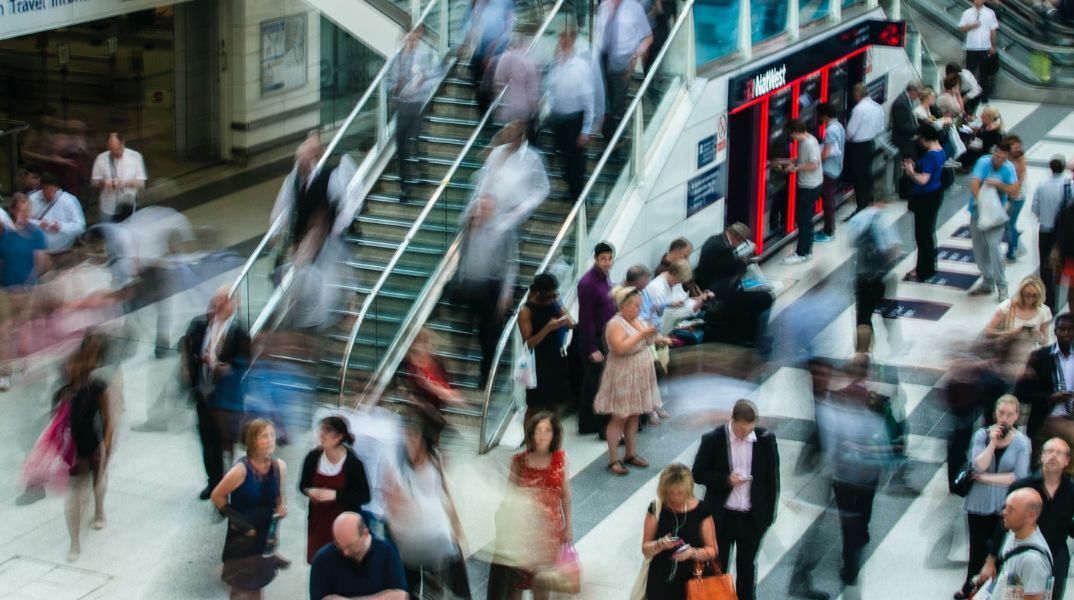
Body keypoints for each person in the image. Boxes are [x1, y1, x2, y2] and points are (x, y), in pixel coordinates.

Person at [691, 399, 779, 600]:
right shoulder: (713, 439)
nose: (745, 435)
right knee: (717, 566)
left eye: (749, 431)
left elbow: (772, 481)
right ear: (733, 420)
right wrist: (725, 480)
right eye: (741, 431)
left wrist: (767, 517)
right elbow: (698, 473)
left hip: (751, 518)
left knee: (747, 568)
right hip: (722, 517)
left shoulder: (765, 440)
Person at [383, 412, 469, 599]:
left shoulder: (435, 461)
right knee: (407, 590)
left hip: (438, 538)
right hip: (410, 541)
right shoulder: (397, 466)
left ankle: (432, 583)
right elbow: (390, 501)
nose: (409, 441)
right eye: (407, 436)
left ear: (423, 439)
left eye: (414, 436)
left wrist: (456, 527)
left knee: (458, 590)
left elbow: (446, 494)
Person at [956, 395, 1031, 599]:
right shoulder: (982, 435)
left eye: (1009, 414)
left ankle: (993, 592)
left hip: (1004, 507)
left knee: (998, 552)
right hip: (978, 503)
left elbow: (1018, 477)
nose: (1004, 418)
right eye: (1001, 413)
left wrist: (984, 478)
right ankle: (970, 589)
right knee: (977, 550)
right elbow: (978, 464)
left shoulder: (1022, 443)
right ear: (995, 413)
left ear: (1016, 416)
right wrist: (992, 444)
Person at [181, 288, 252, 499]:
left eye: (224, 301)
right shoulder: (200, 325)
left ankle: (226, 484)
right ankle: (213, 481)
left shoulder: (239, 333)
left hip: (225, 400)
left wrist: (225, 368)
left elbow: (245, 365)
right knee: (206, 440)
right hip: (203, 394)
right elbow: (186, 347)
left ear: (233, 305)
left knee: (225, 443)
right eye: (216, 300)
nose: (219, 305)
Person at [980, 438, 1073, 599]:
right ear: (1041, 456)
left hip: (1055, 556)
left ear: (1067, 461)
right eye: (1049, 451)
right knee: (1013, 596)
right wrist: (991, 559)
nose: (1053, 456)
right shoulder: (1022, 487)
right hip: (1022, 552)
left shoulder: (1071, 491)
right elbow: (1003, 523)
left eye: (1059, 453)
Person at [211, 419, 288, 600]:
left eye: (272, 435)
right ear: (252, 441)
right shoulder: (241, 470)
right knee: (239, 588)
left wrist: (280, 507)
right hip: (241, 541)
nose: (270, 440)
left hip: (264, 538)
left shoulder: (279, 467)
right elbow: (217, 495)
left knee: (258, 586)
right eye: (264, 436)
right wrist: (238, 521)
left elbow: (279, 496)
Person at [594, 286, 664, 475]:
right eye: (635, 306)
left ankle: (631, 453)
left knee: (634, 414)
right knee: (619, 416)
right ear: (623, 306)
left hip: (640, 371)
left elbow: (645, 340)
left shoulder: (638, 319)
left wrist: (656, 338)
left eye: (640, 306)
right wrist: (642, 335)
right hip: (623, 372)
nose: (639, 310)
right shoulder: (615, 324)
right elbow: (619, 348)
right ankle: (613, 458)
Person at [507, 412, 573, 599]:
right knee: (517, 582)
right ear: (531, 434)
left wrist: (568, 526)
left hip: (550, 533)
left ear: (555, 434)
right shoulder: (519, 462)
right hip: (523, 532)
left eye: (547, 430)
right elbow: (508, 498)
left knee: (542, 581)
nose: (542, 435)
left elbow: (566, 496)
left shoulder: (561, 459)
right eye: (538, 430)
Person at [63, 336, 113, 562]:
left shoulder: (96, 386)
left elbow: (108, 419)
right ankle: (74, 541)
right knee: (75, 494)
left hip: (93, 442)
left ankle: (99, 509)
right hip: (74, 447)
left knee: (97, 482)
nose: (72, 368)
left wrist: (106, 446)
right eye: (69, 364)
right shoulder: (65, 391)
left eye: (76, 363)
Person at [299, 416, 372, 564]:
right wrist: (309, 492)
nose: (322, 435)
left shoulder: (353, 463)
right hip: (318, 523)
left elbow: (365, 496)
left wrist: (336, 495)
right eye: (321, 430)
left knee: (342, 563)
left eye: (327, 431)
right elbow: (303, 485)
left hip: (344, 527)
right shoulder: (313, 457)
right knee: (320, 562)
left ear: (339, 436)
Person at [638, 464, 717, 600]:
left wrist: (693, 552)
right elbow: (645, 549)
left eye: (680, 493)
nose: (675, 498)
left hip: (693, 579)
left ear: (688, 489)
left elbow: (712, 550)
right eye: (670, 493)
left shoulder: (702, 511)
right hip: (660, 580)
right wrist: (660, 544)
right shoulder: (656, 509)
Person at [0, 193, 49, 391]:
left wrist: (30, 282)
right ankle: (4, 371)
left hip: (28, 289)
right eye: (21, 209)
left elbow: (40, 262)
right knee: (3, 331)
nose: (25, 214)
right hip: (5, 290)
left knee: (25, 329)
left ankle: (25, 363)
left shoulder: (36, 234)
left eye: (28, 209)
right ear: (12, 210)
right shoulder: (4, 233)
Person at [545, 26, 597, 203]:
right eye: (560, 39)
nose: (560, 43)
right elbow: (550, 86)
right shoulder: (558, 63)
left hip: (575, 120)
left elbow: (589, 99)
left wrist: (586, 130)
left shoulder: (580, 66)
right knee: (562, 156)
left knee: (576, 161)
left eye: (564, 40)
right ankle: (571, 189)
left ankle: (578, 195)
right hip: (558, 118)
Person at [974, 488, 1054, 600]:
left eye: (1011, 509)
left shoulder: (1032, 561)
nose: (1004, 512)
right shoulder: (1013, 533)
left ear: (1030, 515)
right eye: (1005, 507)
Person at [391, 25, 440, 203]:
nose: (410, 42)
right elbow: (390, 80)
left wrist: (422, 85)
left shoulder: (425, 55)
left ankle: (421, 168)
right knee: (401, 144)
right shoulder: (398, 57)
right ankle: (406, 186)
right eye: (408, 39)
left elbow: (436, 75)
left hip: (419, 103)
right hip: (403, 105)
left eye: (413, 39)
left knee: (416, 140)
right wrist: (395, 87)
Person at [310, 511, 408, 599]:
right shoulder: (322, 559)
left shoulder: (386, 550)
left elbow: (400, 595)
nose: (345, 552)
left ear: (365, 533)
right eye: (339, 545)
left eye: (350, 546)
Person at [518, 273, 574, 426]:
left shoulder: (554, 304)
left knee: (553, 404)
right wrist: (547, 328)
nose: (551, 298)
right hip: (537, 362)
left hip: (554, 358)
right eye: (549, 295)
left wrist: (559, 306)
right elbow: (528, 343)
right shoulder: (526, 311)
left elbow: (571, 324)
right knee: (534, 406)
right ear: (539, 293)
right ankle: (530, 445)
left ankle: (553, 443)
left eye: (554, 294)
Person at [967, 142, 1019, 301]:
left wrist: (998, 184)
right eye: (996, 156)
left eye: (1001, 158)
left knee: (994, 247)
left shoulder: (1008, 168)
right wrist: (983, 205)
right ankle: (987, 280)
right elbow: (974, 183)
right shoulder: (984, 162)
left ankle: (1001, 285)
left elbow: (1014, 191)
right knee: (979, 248)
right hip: (978, 212)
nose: (997, 159)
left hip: (996, 215)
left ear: (1006, 158)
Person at [1015, 314, 1074, 455]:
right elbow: (1020, 392)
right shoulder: (1040, 357)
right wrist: (1050, 397)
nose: (1066, 333)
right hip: (1047, 418)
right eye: (1062, 329)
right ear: (1055, 331)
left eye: (1071, 330)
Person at [847, 196, 900, 353]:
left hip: (861, 275)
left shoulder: (856, 219)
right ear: (881, 202)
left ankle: (863, 349)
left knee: (863, 315)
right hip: (879, 276)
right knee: (888, 311)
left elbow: (851, 244)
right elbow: (894, 250)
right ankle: (894, 343)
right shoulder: (883, 219)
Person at [595, 0, 652, 141]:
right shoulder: (603, 7)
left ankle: (616, 140)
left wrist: (635, 56)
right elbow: (598, 35)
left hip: (623, 63)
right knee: (605, 105)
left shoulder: (635, 8)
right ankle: (611, 138)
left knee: (616, 105)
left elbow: (648, 37)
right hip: (603, 60)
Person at [575, 242, 617, 436]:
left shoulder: (603, 278)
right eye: (603, 259)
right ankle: (600, 426)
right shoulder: (587, 283)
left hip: (604, 335)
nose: (607, 263)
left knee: (591, 382)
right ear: (595, 259)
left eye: (609, 259)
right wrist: (592, 347)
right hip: (593, 337)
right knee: (598, 383)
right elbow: (586, 318)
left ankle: (587, 423)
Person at [903, 124, 947, 282]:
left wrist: (910, 172)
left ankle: (923, 270)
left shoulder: (931, 156)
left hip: (926, 197)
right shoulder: (940, 150)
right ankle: (927, 266)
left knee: (922, 235)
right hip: (935, 194)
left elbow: (923, 180)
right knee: (928, 233)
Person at [1032, 155, 1071, 313]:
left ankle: (1047, 303)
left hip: (1045, 230)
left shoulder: (1042, 185)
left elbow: (1035, 208)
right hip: (1062, 233)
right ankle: (1056, 301)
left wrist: (1043, 216)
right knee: (1059, 267)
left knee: (1045, 268)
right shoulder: (1069, 185)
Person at [780, 119, 823, 265]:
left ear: (795, 132)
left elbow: (814, 164)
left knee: (803, 221)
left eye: (791, 134)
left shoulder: (808, 143)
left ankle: (801, 253)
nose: (791, 138)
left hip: (808, 187)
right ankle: (807, 251)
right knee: (807, 220)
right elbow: (802, 159)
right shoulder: (810, 139)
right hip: (814, 185)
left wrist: (795, 168)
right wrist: (787, 161)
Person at [464, 0, 514, 114]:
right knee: (477, 80)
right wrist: (469, 32)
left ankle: (488, 112)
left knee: (488, 82)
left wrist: (497, 46)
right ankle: (484, 109)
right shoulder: (475, 2)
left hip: (496, 51)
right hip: (477, 50)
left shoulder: (505, 2)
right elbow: (467, 22)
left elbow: (509, 26)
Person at [402, 327, 467, 412]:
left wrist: (448, 393)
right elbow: (412, 395)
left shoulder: (438, 360)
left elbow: (453, 388)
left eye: (426, 342)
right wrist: (438, 390)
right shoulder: (412, 368)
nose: (425, 346)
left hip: (439, 408)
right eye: (420, 343)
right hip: (424, 413)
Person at [844, 83, 885, 213]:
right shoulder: (877, 107)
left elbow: (850, 132)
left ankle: (861, 206)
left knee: (859, 177)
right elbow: (881, 127)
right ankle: (870, 200)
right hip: (870, 144)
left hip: (858, 147)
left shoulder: (858, 110)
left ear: (857, 95)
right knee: (868, 174)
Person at [90, 132, 146, 222]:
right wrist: (104, 184)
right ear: (108, 147)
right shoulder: (101, 158)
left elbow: (142, 183)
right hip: (108, 206)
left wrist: (124, 184)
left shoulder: (135, 157)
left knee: (128, 232)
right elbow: (94, 181)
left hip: (128, 205)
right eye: (112, 150)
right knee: (108, 232)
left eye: (118, 149)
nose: (115, 152)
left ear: (123, 143)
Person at [494, 32, 540, 140]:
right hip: (524, 109)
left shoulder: (505, 58)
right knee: (523, 138)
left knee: (509, 138)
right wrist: (535, 109)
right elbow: (532, 92)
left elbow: (498, 80)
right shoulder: (529, 62)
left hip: (508, 106)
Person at [983, 275, 1052, 347]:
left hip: (1029, 353)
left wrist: (1038, 336)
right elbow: (988, 331)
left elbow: (1045, 341)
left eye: (1034, 296)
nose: (1030, 299)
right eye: (1027, 295)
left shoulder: (1043, 311)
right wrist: (1008, 333)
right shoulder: (1007, 306)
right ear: (1021, 293)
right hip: (1006, 350)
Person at [30, 172, 85, 253]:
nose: (51, 195)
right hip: (36, 247)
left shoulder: (69, 200)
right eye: (46, 191)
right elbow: (22, 220)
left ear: (57, 188)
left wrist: (61, 227)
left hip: (61, 247)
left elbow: (80, 226)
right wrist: (38, 224)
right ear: (42, 188)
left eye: (53, 191)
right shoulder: (33, 199)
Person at [959, 0, 1000, 105]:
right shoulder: (967, 12)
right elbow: (961, 28)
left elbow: (993, 29)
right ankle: (969, 96)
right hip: (971, 47)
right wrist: (971, 26)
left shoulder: (990, 13)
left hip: (984, 47)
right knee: (969, 74)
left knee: (984, 74)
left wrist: (993, 45)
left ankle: (984, 97)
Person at [816, 102, 844, 243]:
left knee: (827, 201)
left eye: (819, 116)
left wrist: (814, 161)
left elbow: (826, 153)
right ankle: (829, 229)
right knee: (829, 200)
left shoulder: (831, 131)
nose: (818, 119)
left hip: (828, 170)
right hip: (836, 168)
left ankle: (829, 231)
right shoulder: (838, 126)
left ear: (825, 116)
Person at [891, 81, 923, 199]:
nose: (917, 97)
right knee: (909, 161)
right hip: (903, 140)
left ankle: (910, 188)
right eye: (917, 94)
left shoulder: (906, 100)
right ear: (912, 91)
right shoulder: (901, 103)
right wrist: (918, 129)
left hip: (908, 137)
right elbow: (902, 125)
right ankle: (907, 191)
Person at [1004, 135, 1029, 263]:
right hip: (1010, 194)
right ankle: (1019, 247)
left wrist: (1011, 193)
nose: (1016, 148)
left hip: (1016, 196)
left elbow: (1018, 181)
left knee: (1010, 225)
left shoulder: (1020, 161)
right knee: (1008, 224)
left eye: (1017, 146)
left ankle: (1011, 253)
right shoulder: (1009, 158)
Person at [960, 106, 1005, 170]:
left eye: (983, 115)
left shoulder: (992, 133)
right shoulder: (989, 126)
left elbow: (985, 148)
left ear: (988, 117)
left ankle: (967, 165)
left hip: (985, 154)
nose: (981, 116)